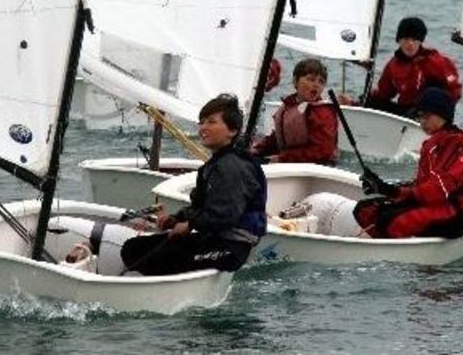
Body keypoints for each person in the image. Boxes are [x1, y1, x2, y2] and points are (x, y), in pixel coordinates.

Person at [118, 94, 267, 275]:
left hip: (231, 247)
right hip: (212, 238)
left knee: (155, 258)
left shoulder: (232, 166)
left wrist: (189, 225)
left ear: (233, 130)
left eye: (211, 122)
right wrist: (176, 219)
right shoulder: (217, 163)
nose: (203, 127)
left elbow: (226, 214)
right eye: (201, 122)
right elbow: (202, 208)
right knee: (133, 248)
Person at [353, 87, 463, 239]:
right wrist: (383, 187)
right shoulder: (433, 144)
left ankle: (393, 248)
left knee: (393, 222)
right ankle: (385, 243)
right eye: (419, 116)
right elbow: (422, 186)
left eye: (426, 116)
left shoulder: (459, 144)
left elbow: (440, 190)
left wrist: (394, 193)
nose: (421, 121)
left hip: (457, 213)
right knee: (366, 210)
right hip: (434, 204)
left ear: (442, 114)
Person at [346, 16, 462, 116]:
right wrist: (359, 103)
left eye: (414, 39)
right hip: (406, 111)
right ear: (399, 40)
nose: (410, 44)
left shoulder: (438, 62)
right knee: (371, 102)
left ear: (420, 41)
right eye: (406, 39)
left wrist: (438, 115)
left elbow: (455, 91)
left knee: (432, 92)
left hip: (431, 114)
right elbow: (383, 93)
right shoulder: (393, 65)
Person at [251, 58, 338, 166]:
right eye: (311, 79)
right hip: (290, 162)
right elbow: (278, 137)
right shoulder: (288, 106)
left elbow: (322, 151)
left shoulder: (322, 113)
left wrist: (282, 158)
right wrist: (258, 149)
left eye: (321, 82)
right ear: (295, 81)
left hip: (315, 168)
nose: (316, 85)